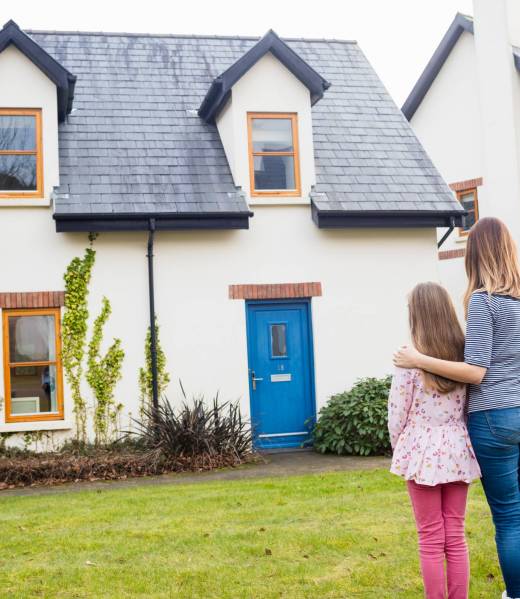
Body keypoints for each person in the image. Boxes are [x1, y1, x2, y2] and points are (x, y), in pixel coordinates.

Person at [394, 217, 520, 599]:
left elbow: (475, 372)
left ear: (476, 255)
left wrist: (418, 359)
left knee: (509, 518)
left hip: (494, 419)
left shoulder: (486, 301)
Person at [389, 282, 480, 599]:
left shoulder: (409, 360)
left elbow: (396, 414)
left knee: (429, 536)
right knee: (455, 534)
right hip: (457, 448)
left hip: (421, 452)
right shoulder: (463, 357)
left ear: (417, 315)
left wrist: (399, 447)